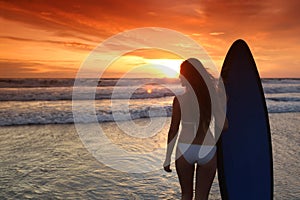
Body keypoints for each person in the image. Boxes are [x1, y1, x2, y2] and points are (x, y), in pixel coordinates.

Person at [163, 58, 228, 200]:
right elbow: (224, 126)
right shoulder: (212, 98)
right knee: (202, 197)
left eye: (181, 74)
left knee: (186, 195)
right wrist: (222, 104)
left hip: (185, 149)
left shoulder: (179, 100)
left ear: (187, 76)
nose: (179, 77)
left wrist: (167, 158)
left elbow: (173, 130)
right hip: (207, 149)